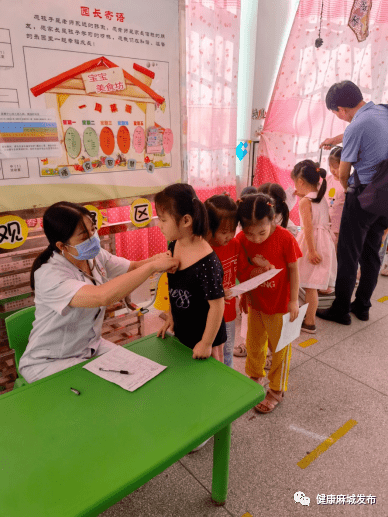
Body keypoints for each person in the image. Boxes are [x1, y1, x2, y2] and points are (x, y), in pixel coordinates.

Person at [19, 202, 179, 383]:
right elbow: (102, 296)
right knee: (97, 392)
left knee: (141, 374)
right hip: (50, 361)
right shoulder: (49, 274)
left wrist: (156, 259)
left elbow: (131, 267)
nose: (93, 238)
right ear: (62, 246)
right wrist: (153, 266)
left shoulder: (93, 255)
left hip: (90, 347)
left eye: (93, 229)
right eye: (83, 236)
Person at [318, 80, 388, 324]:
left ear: (340, 110)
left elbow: (344, 171)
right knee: (372, 251)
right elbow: (359, 130)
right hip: (385, 195)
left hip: (364, 196)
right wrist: (334, 138)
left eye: (336, 113)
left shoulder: (354, 127)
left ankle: (340, 311)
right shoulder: (381, 111)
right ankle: (363, 305)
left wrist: (348, 192)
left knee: (348, 253)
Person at [235, 193, 302, 413]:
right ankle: (255, 379)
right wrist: (244, 295)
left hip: (281, 306)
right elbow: (244, 272)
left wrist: (294, 301)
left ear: (273, 220)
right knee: (254, 344)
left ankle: (276, 391)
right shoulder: (242, 240)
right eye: (249, 233)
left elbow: (293, 270)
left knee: (280, 349)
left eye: (261, 232)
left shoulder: (285, 238)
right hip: (256, 303)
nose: (255, 239)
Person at [156, 183, 227, 361]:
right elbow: (174, 287)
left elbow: (217, 306)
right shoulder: (175, 245)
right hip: (183, 333)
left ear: (186, 220)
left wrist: (206, 342)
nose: (159, 225)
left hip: (206, 339)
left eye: (164, 220)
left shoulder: (207, 262)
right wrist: (171, 316)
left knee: (210, 385)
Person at [291, 160, 337, 334]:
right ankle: (309, 320)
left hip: (312, 243)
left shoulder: (305, 202)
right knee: (313, 286)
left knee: (303, 282)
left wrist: (311, 251)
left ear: (301, 182)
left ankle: (307, 321)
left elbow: (308, 228)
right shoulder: (319, 195)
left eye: (296, 183)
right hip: (325, 242)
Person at [205, 193, 241, 368]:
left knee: (227, 351)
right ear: (209, 228)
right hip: (209, 315)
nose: (229, 236)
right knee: (212, 355)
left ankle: (229, 383)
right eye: (224, 232)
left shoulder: (234, 245)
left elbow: (241, 271)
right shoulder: (203, 251)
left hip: (229, 312)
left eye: (233, 230)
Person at [325, 147, 346, 251]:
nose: (333, 170)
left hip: (338, 227)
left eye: (336, 167)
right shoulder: (327, 179)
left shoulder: (347, 183)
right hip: (325, 224)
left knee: (335, 252)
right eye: (330, 166)